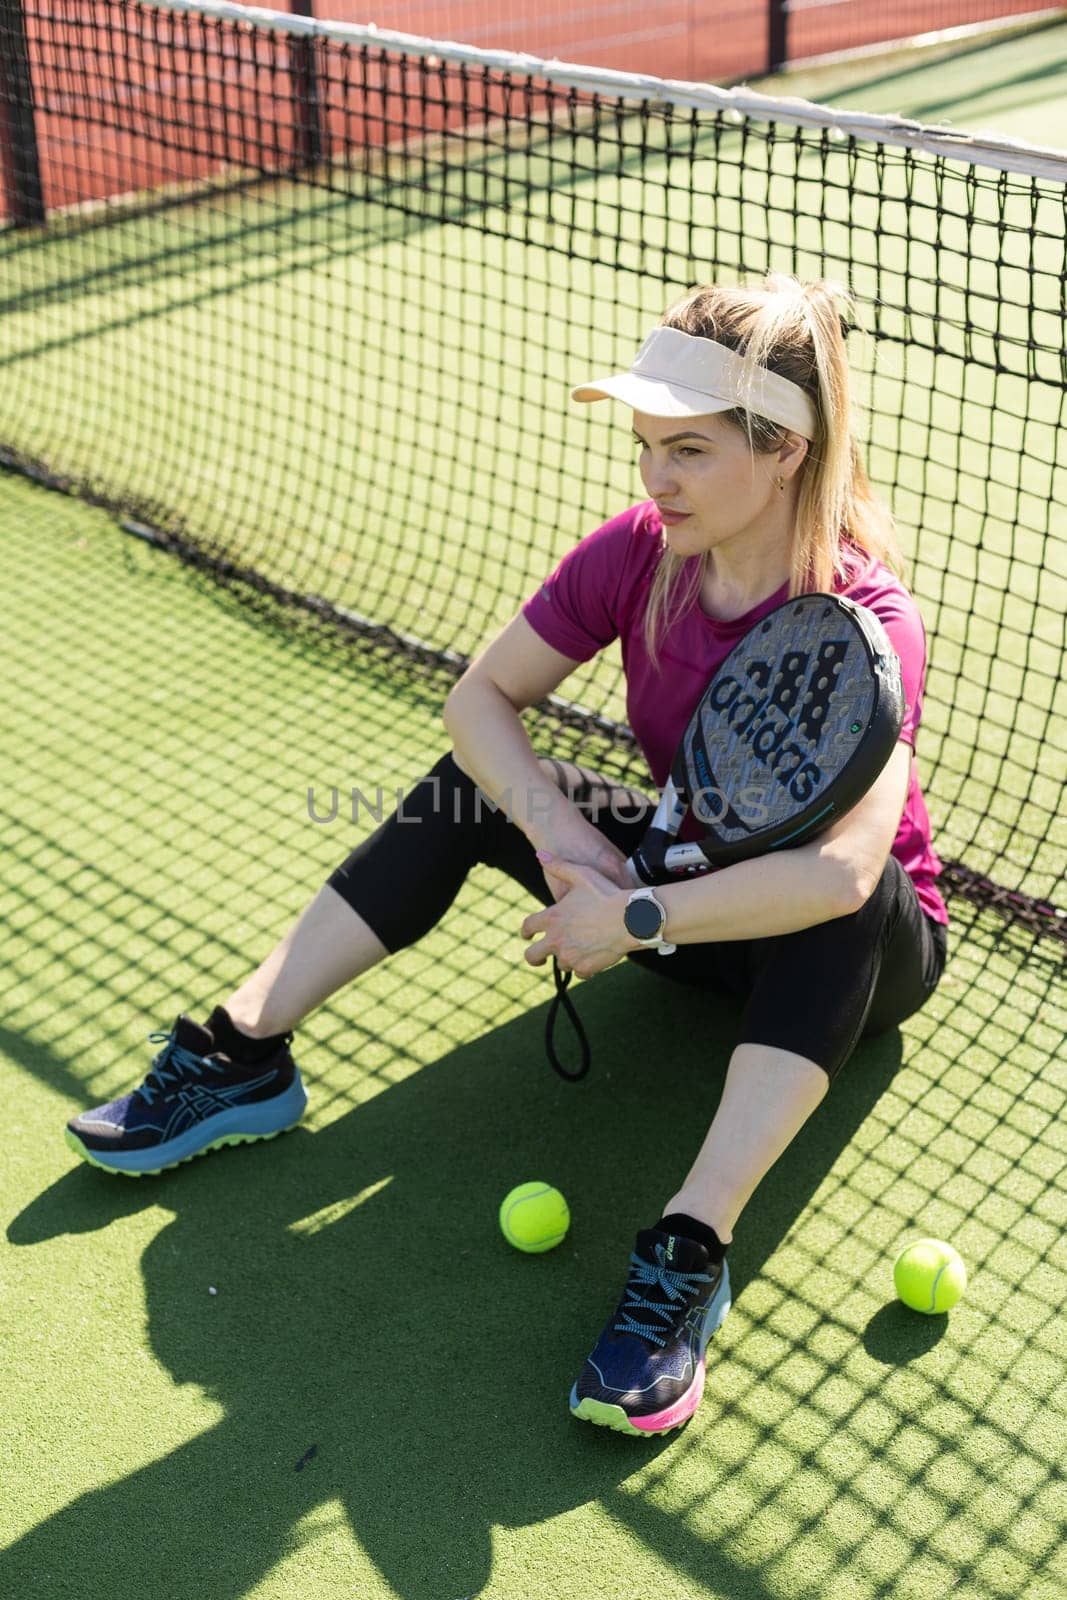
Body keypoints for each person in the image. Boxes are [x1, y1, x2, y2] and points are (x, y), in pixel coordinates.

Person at [65, 274, 949, 1438]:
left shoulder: (861, 619)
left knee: (844, 891)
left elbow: (836, 878)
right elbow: (479, 699)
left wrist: (633, 922)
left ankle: (688, 1248)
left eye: (686, 450)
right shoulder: (642, 552)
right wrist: (559, 830)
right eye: (643, 446)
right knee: (462, 793)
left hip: (855, 955)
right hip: (684, 879)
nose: (653, 479)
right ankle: (244, 1053)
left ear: (782, 449)